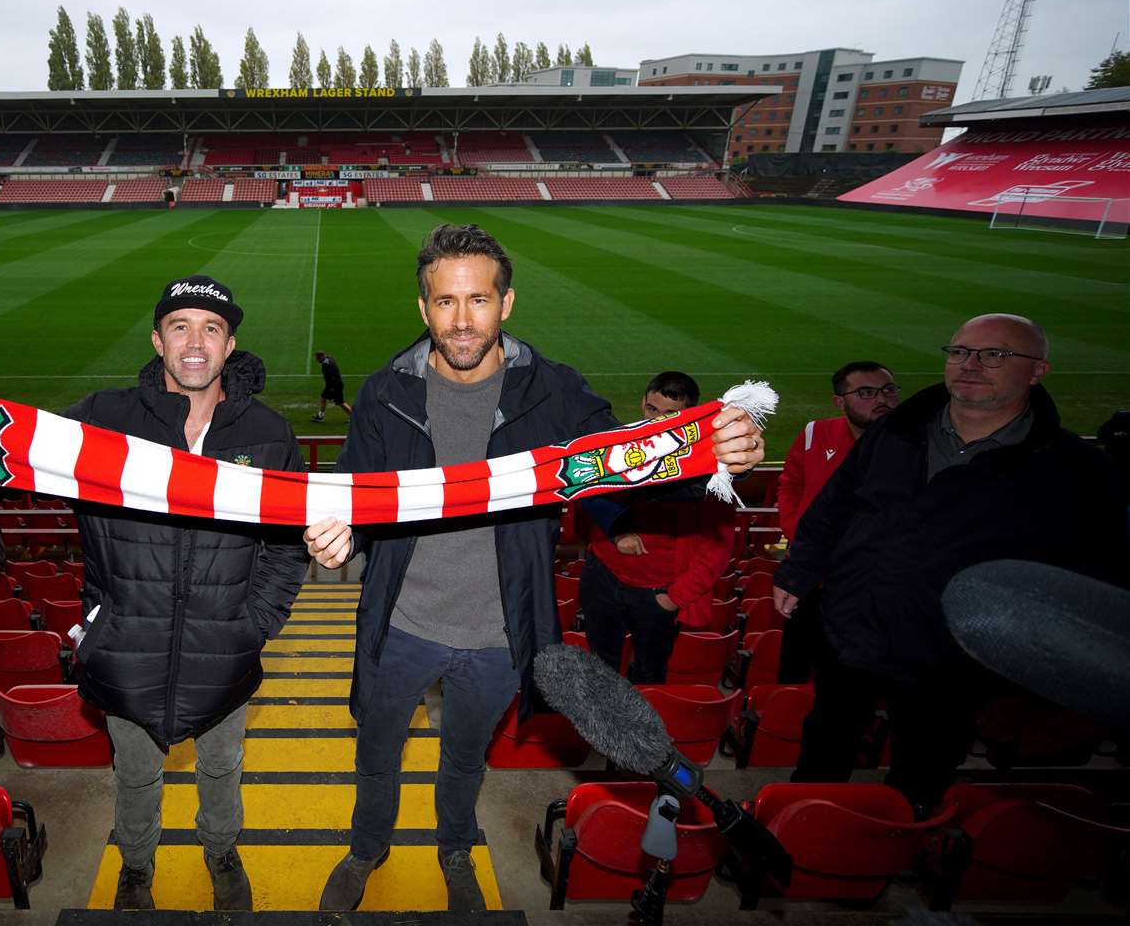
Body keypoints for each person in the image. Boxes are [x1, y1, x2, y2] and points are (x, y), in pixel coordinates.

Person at [302, 224, 765, 910]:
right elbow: (356, 490)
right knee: (378, 748)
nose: (463, 321)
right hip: (399, 624)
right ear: (423, 308)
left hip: (500, 634)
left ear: (507, 303)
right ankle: (368, 844)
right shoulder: (383, 393)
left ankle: (455, 845)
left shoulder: (554, 393)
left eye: (479, 300)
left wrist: (711, 460)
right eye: (446, 302)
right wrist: (341, 535)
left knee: (465, 756)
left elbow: (623, 463)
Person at [0, 274, 311, 911]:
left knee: (222, 766)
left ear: (230, 342)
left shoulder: (269, 433)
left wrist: (258, 622)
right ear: (158, 340)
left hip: (226, 643)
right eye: (180, 327)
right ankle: (136, 866)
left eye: (211, 328)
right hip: (126, 641)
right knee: (135, 773)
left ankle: (220, 848)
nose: (196, 342)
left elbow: (286, 542)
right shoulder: (101, 421)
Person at [772, 314, 1129, 816]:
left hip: (952, 660)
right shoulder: (894, 431)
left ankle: (888, 852)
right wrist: (798, 570)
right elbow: (836, 505)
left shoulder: (1076, 470)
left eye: (995, 354)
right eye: (960, 352)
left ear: (1038, 370)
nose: (971, 365)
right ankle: (797, 832)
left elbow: (1096, 579)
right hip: (853, 629)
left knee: (921, 773)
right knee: (824, 747)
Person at [580, 371, 737, 684]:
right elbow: (584, 492)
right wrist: (616, 531)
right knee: (599, 672)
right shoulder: (618, 445)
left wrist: (673, 598)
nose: (658, 421)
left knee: (649, 678)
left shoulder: (707, 466)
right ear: (642, 403)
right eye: (653, 410)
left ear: (689, 414)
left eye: (671, 414)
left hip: (657, 595)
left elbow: (717, 547)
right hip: (603, 579)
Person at [774, 361, 896, 681]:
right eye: (867, 393)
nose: (881, 399)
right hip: (810, 579)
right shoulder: (815, 434)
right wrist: (798, 536)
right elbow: (790, 485)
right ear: (839, 402)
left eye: (888, 390)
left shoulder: (914, 447)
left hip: (869, 589)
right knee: (794, 667)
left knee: (847, 679)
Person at [312, 350, 353, 422]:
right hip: (335, 385)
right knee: (324, 398)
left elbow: (332, 377)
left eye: (317, 358)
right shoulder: (329, 358)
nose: (317, 360)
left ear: (321, 356)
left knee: (340, 402)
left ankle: (354, 417)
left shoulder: (325, 365)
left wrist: (332, 388)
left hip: (334, 386)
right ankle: (320, 416)